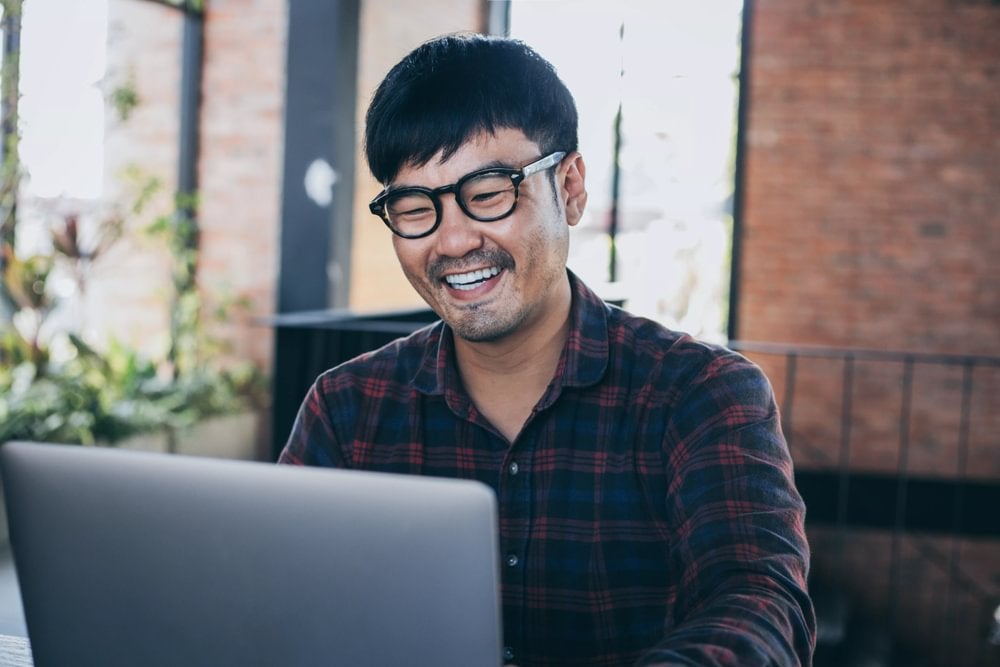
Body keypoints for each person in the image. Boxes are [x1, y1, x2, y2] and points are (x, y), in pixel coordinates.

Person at [279, 33, 816, 666]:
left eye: (487, 194)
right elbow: (283, 604)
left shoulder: (700, 394)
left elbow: (758, 601)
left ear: (571, 186)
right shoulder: (347, 409)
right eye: (415, 207)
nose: (452, 241)